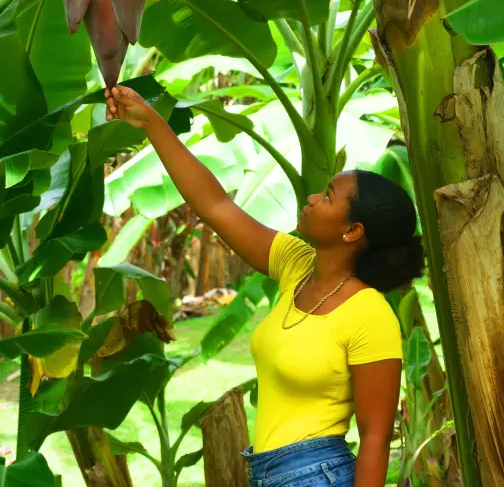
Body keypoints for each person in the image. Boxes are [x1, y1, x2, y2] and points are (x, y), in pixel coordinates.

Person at [105, 85, 426, 487]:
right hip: (269, 472)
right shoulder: (296, 265)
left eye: (326, 197)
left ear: (352, 230)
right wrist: (151, 122)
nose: (310, 197)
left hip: (319, 475)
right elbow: (215, 205)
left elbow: (376, 439)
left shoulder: (370, 314)